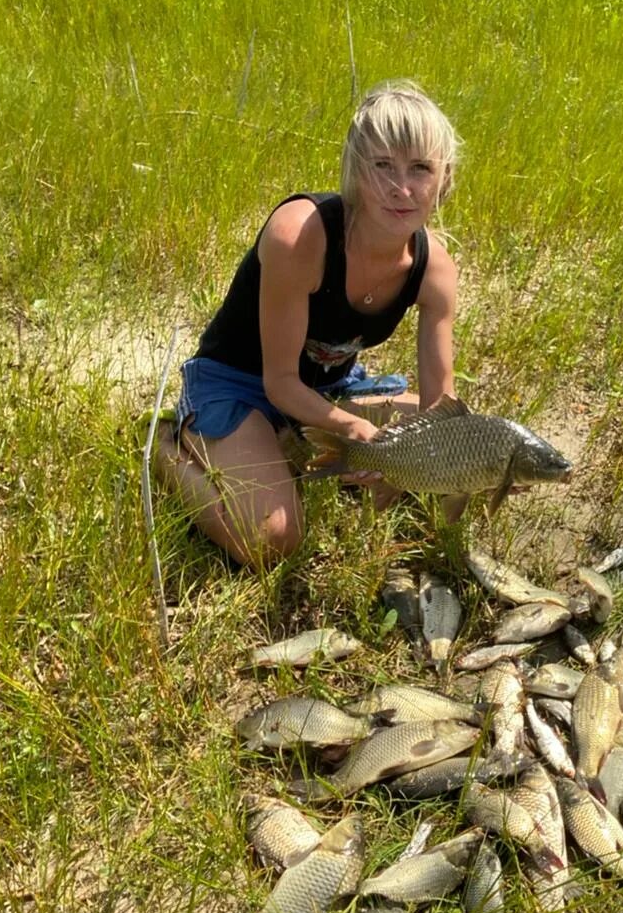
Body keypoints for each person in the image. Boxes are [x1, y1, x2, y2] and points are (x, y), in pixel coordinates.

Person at [155, 80, 460, 568]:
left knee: (463, 451)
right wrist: (354, 431)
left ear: (443, 178)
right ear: (355, 170)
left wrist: (414, 466)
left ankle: (289, 445)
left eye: (420, 168)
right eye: (382, 165)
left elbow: (439, 408)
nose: (401, 188)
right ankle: (168, 450)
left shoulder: (434, 270)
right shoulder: (301, 235)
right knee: (273, 541)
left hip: (331, 387)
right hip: (240, 382)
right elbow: (279, 382)